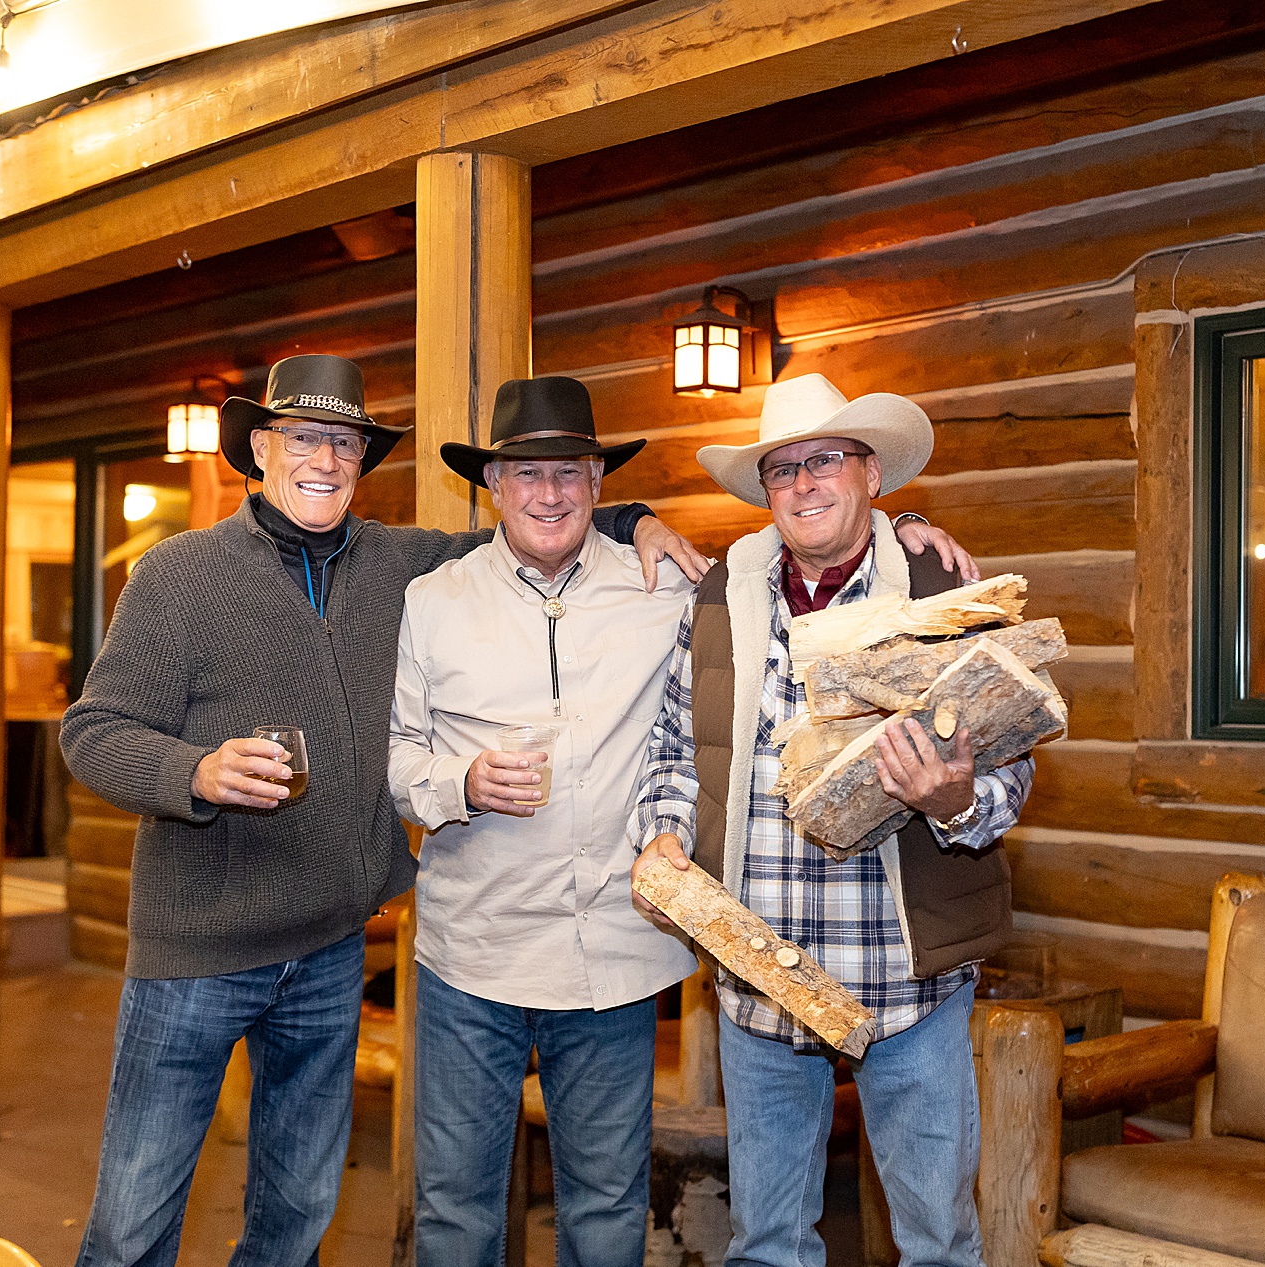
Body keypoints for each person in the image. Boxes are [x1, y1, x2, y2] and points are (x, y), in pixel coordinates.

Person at [61, 353, 704, 1267]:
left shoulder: (400, 563)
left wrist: (635, 520)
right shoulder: (178, 575)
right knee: (135, 1212)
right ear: (260, 447)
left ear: (363, 460)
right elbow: (92, 731)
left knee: (296, 1210)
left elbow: (543, 523)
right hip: (199, 946)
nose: (325, 459)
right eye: (304, 437)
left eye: (345, 442)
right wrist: (194, 771)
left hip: (329, 946)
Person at [388, 375, 979, 1267]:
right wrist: (469, 782)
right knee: (466, 1217)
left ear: (599, 483)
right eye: (526, 473)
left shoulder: (689, 585)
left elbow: (1001, 757)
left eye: (570, 471)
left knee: (615, 1213)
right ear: (492, 485)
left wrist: (907, 533)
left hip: (739, 964)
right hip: (534, 952)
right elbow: (665, 749)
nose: (549, 492)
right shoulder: (447, 600)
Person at [630, 372, 1030, 1267]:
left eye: (826, 461)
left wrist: (955, 800)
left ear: (871, 474)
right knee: (767, 1245)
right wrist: (663, 832)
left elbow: (1013, 763)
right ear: (765, 490)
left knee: (938, 1245)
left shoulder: (937, 587)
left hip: (907, 979)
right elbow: (673, 746)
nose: (804, 483)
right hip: (761, 971)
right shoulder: (721, 596)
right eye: (783, 468)